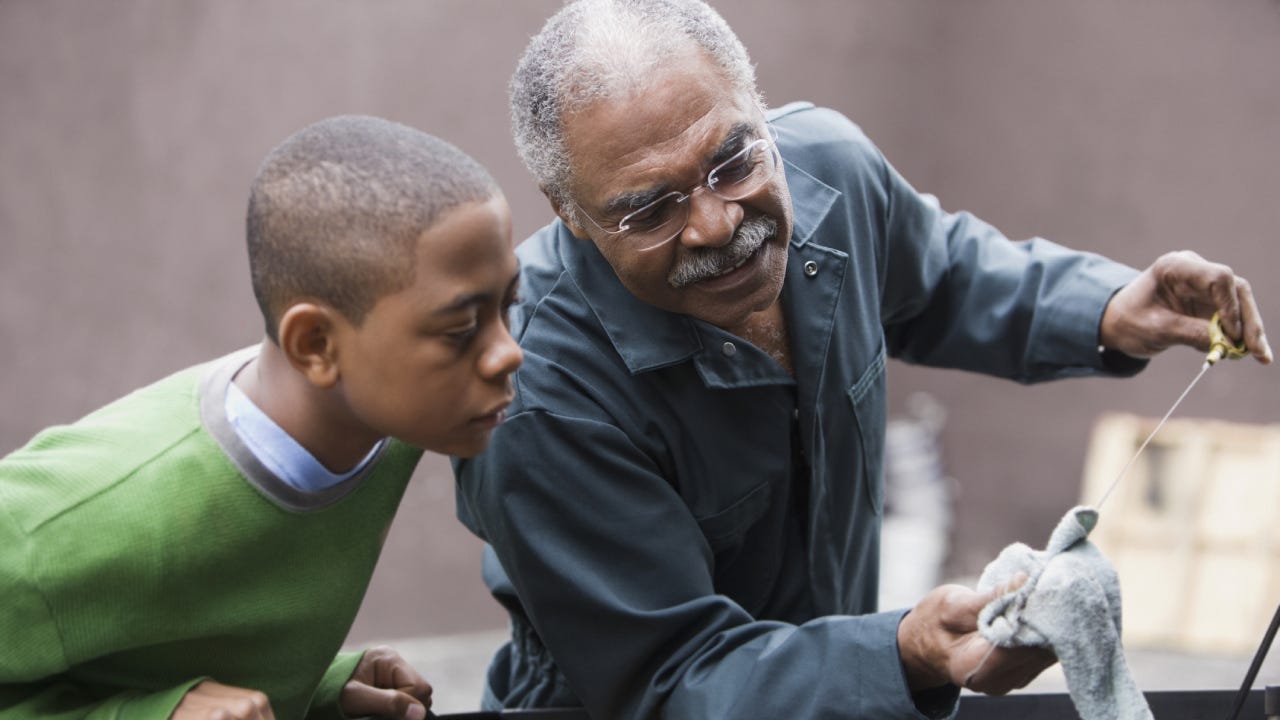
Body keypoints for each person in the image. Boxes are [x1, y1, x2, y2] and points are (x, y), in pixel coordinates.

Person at [452, 1, 1272, 718]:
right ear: (570, 212)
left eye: (733, 161)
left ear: (762, 114)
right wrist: (902, 655)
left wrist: (1109, 309)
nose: (713, 224)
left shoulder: (829, 168)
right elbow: (673, 679)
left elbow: (943, 275)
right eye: (651, 209)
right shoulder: (534, 397)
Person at [0, 115, 524, 719]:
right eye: (460, 329)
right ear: (316, 345)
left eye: (508, 304)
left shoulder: (392, 418)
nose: (509, 350)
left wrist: (316, 691)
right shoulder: (72, 521)